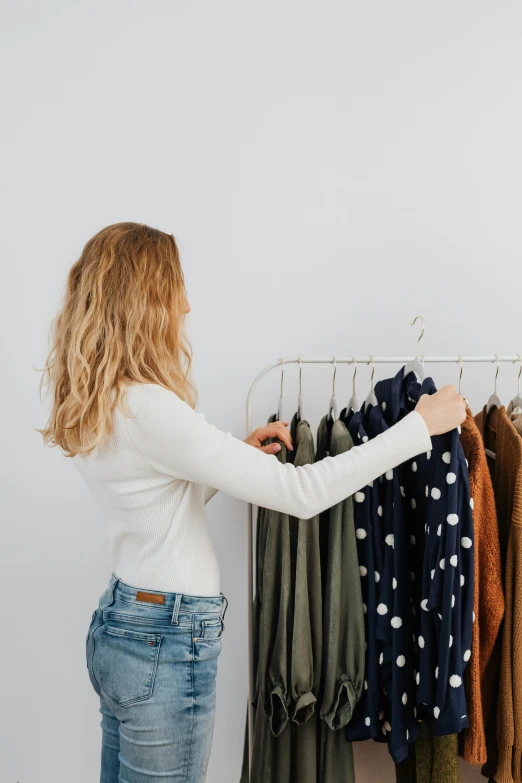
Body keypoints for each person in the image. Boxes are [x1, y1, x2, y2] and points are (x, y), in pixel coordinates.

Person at [38, 222, 466, 783]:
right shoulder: (150, 408)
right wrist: (416, 428)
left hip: (122, 625)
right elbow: (301, 494)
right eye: (176, 290)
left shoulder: (103, 400)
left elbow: (156, 500)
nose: (186, 307)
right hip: (164, 642)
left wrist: (233, 457)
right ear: (145, 300)